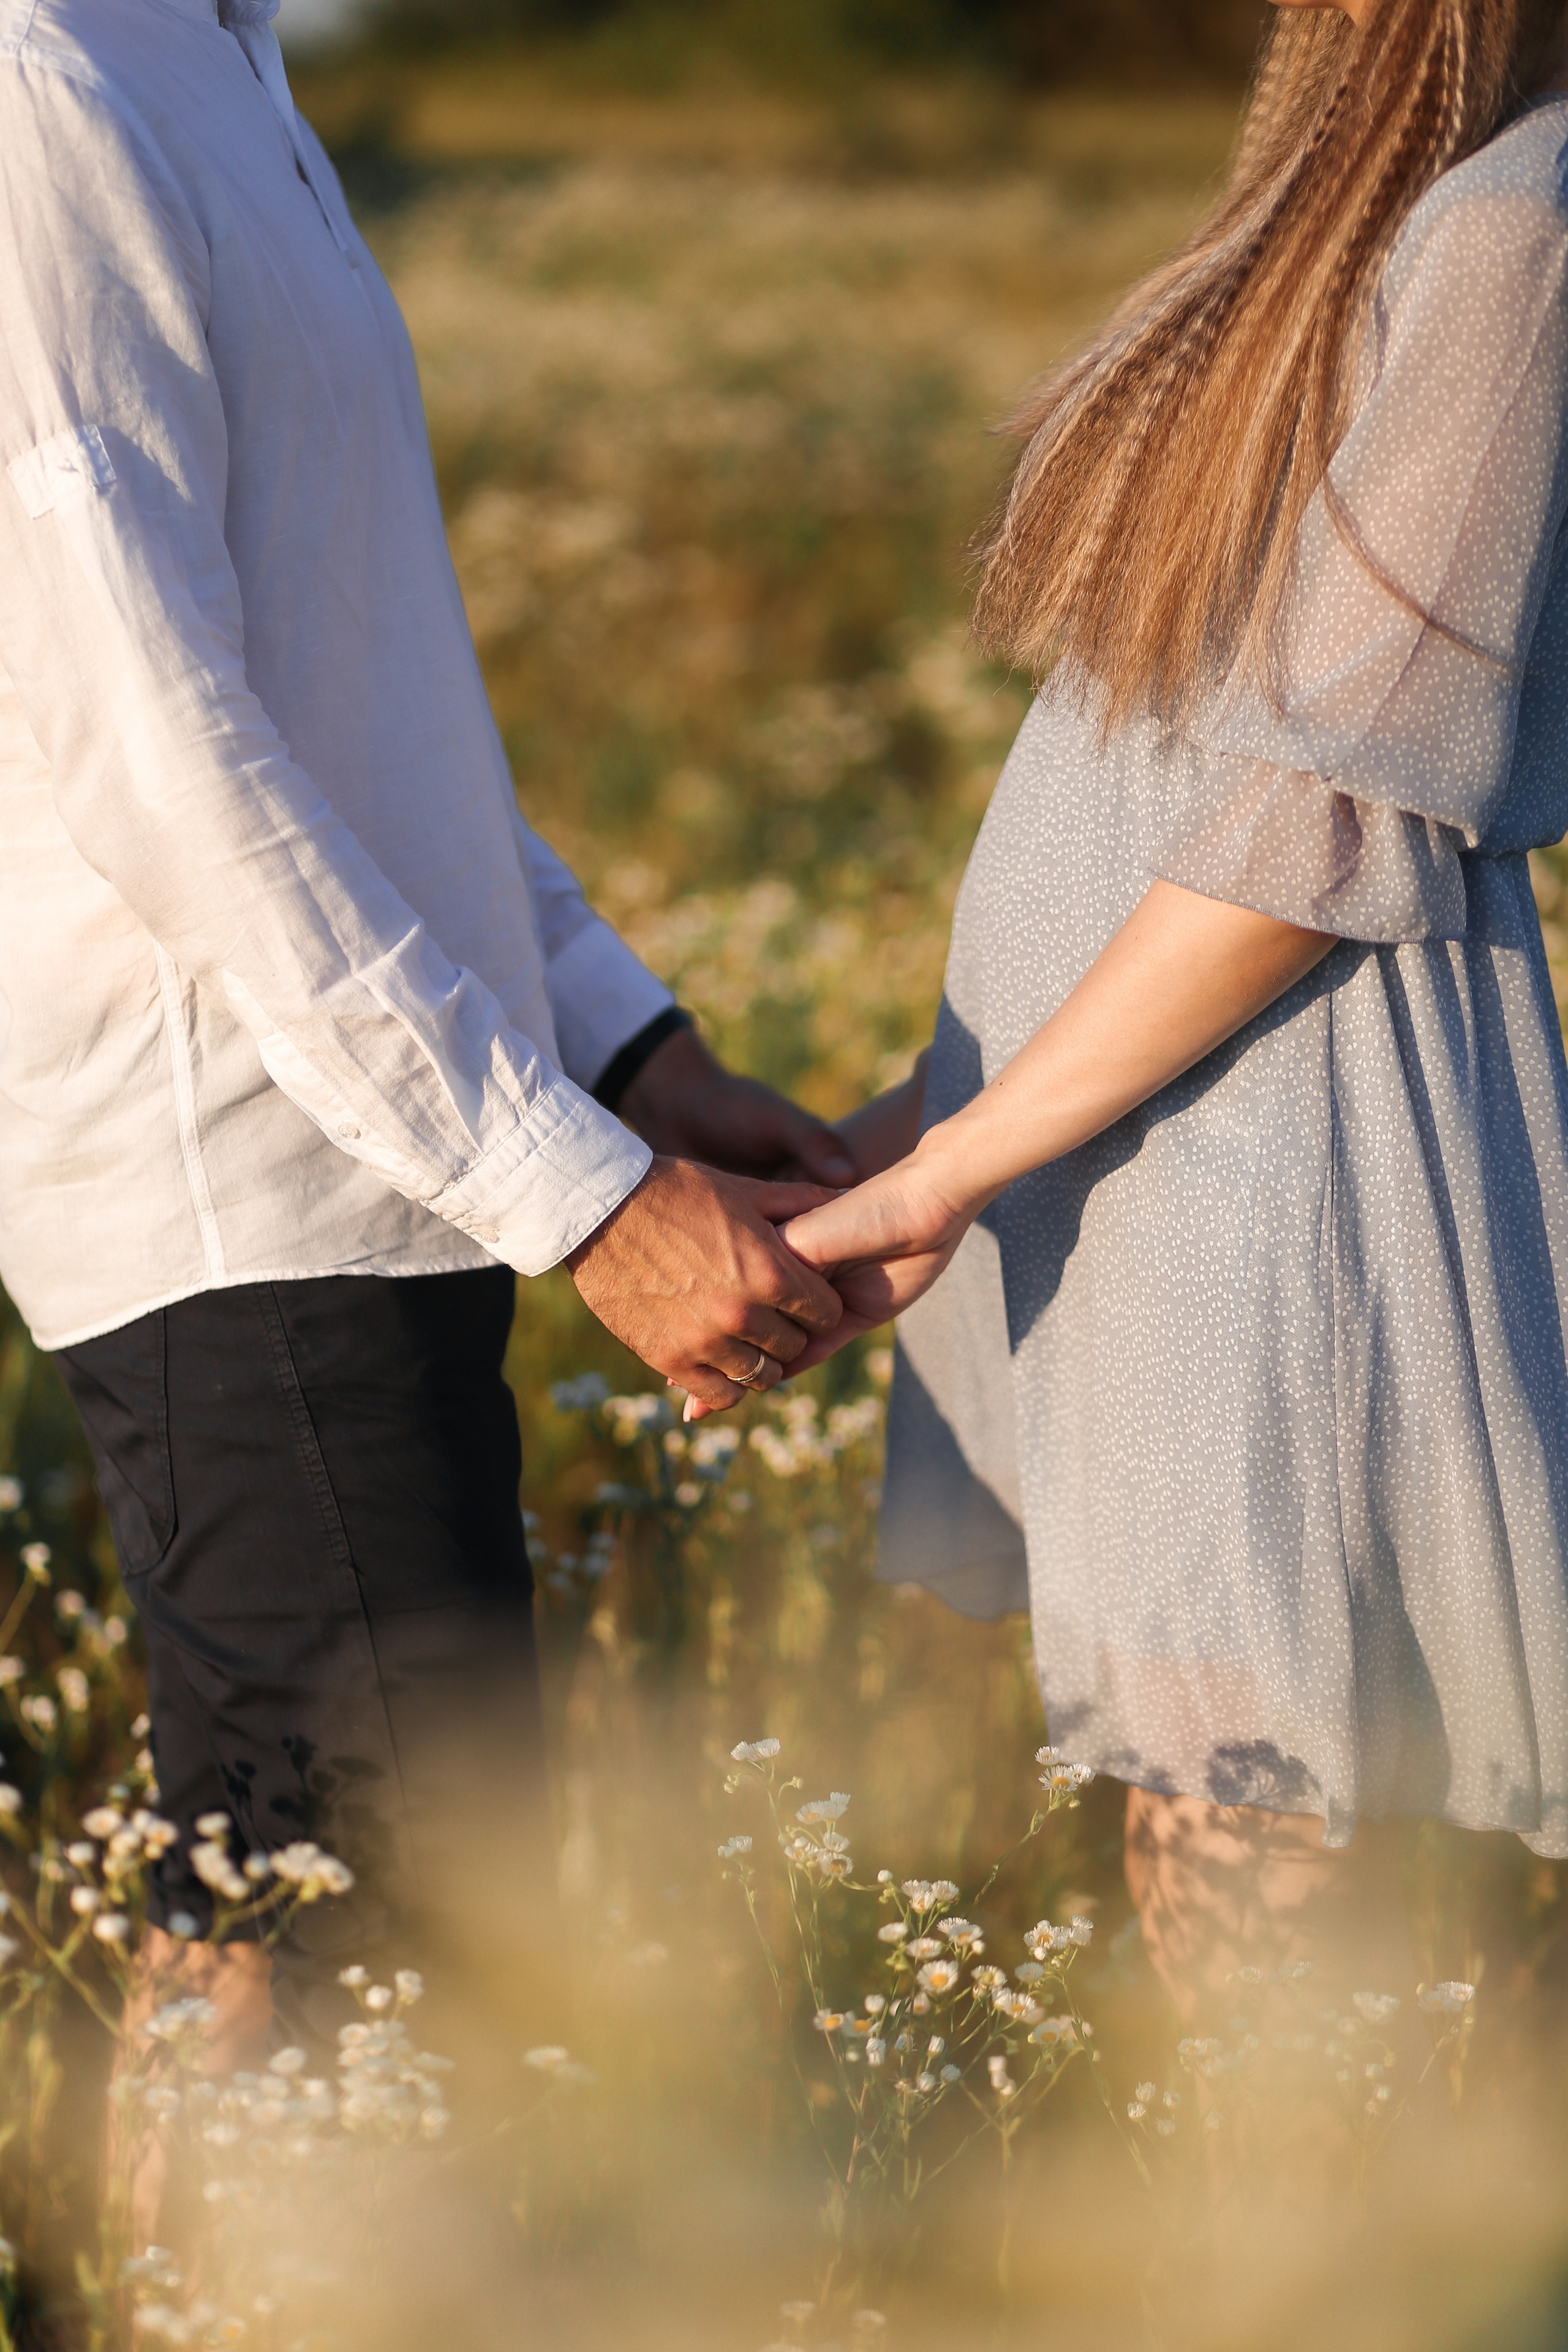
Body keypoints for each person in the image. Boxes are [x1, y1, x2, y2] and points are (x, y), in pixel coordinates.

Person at [0, 0, 854, 2048]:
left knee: (282, 1926)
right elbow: (155, 741)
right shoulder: (42, 76)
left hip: (371, 1171)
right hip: (248, 1185)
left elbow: (349, 699)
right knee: (371, 1984)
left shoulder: (210, 44)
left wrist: (634, 1056)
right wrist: (578, 1191)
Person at [780, 0, 1568, 2022]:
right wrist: (932, 1107)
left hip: (1266, 1122)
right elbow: (1193, 763)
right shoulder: (1375, 212)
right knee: (1214, 1784)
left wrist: (951, 1156)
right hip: (1126, 1115)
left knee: (1259, 1786)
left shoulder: (1522, 226)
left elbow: (1329, 812)